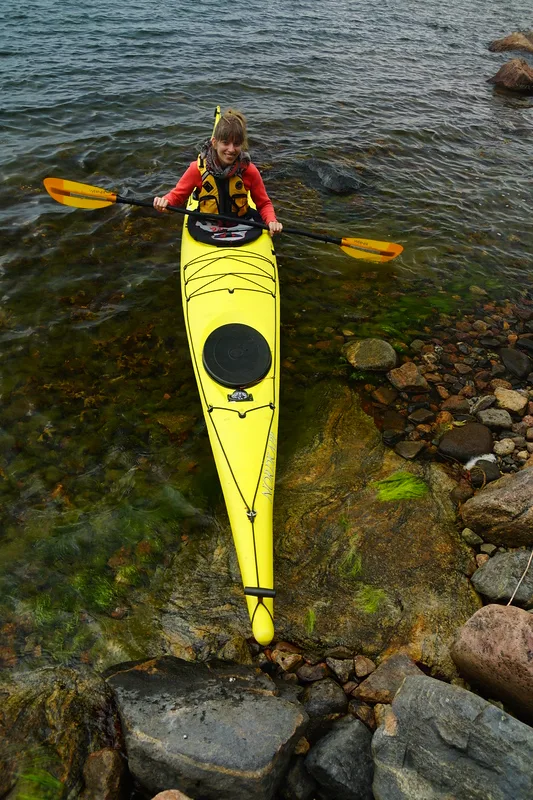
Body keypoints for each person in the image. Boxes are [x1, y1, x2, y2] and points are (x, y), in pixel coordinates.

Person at [153, 109, 283, 237]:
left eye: (236, 144)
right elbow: (177, 196)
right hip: (206, 225)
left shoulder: (249, 170)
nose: (231, 149)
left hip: (241, 223)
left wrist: (271, 220)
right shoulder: (197, 169)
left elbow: (263, 204)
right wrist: (166, 202)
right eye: (225, 143)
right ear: (214, 143)